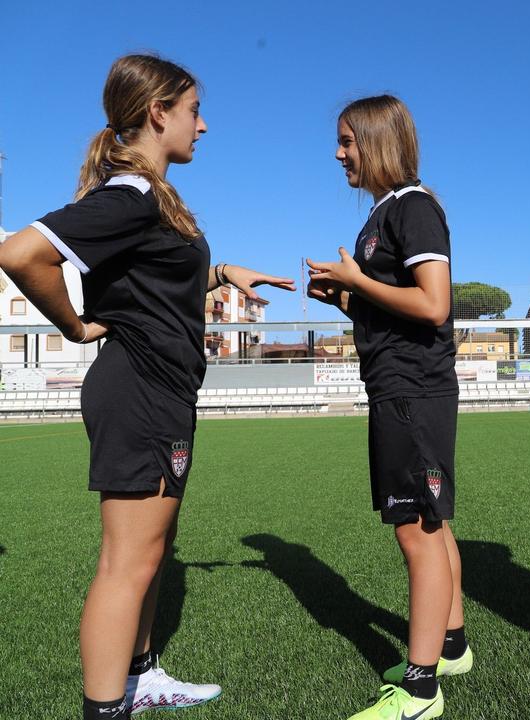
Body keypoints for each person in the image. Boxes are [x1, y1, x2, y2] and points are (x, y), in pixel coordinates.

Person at [0, 54, 294, 720]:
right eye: (194, 110)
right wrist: (74, 325)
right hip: (139, 389)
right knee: (128, 561)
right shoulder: (130, 195)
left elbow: (154, 282)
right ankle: (105, 708)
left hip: (159, 390)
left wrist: (222, 274)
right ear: (159, 113)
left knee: (152, 551)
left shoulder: (150, 198)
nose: (203, 125)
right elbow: (20, 253)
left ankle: (141, 676)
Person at [306, 94, 470, 720]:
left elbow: (434, 304)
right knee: (435, 523)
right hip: (397, 387)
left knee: (417, 529)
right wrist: (345, 298)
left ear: (377, 142)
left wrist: (358, 280)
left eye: (347, 141)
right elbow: (391, 305)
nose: (338, 153)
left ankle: (421, 690)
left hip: (413, 390)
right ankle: (451, 647)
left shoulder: (414, 207)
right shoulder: (381, 214)